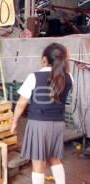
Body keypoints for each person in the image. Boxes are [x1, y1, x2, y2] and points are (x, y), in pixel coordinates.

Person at [10, 43, 73, 184]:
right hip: (58, 124)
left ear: (45, 59)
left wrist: (14, 122)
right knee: (54, 158)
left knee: (38, 164)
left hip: (38, 123)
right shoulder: (68, 77)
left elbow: (21, 103)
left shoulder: (34, 77)